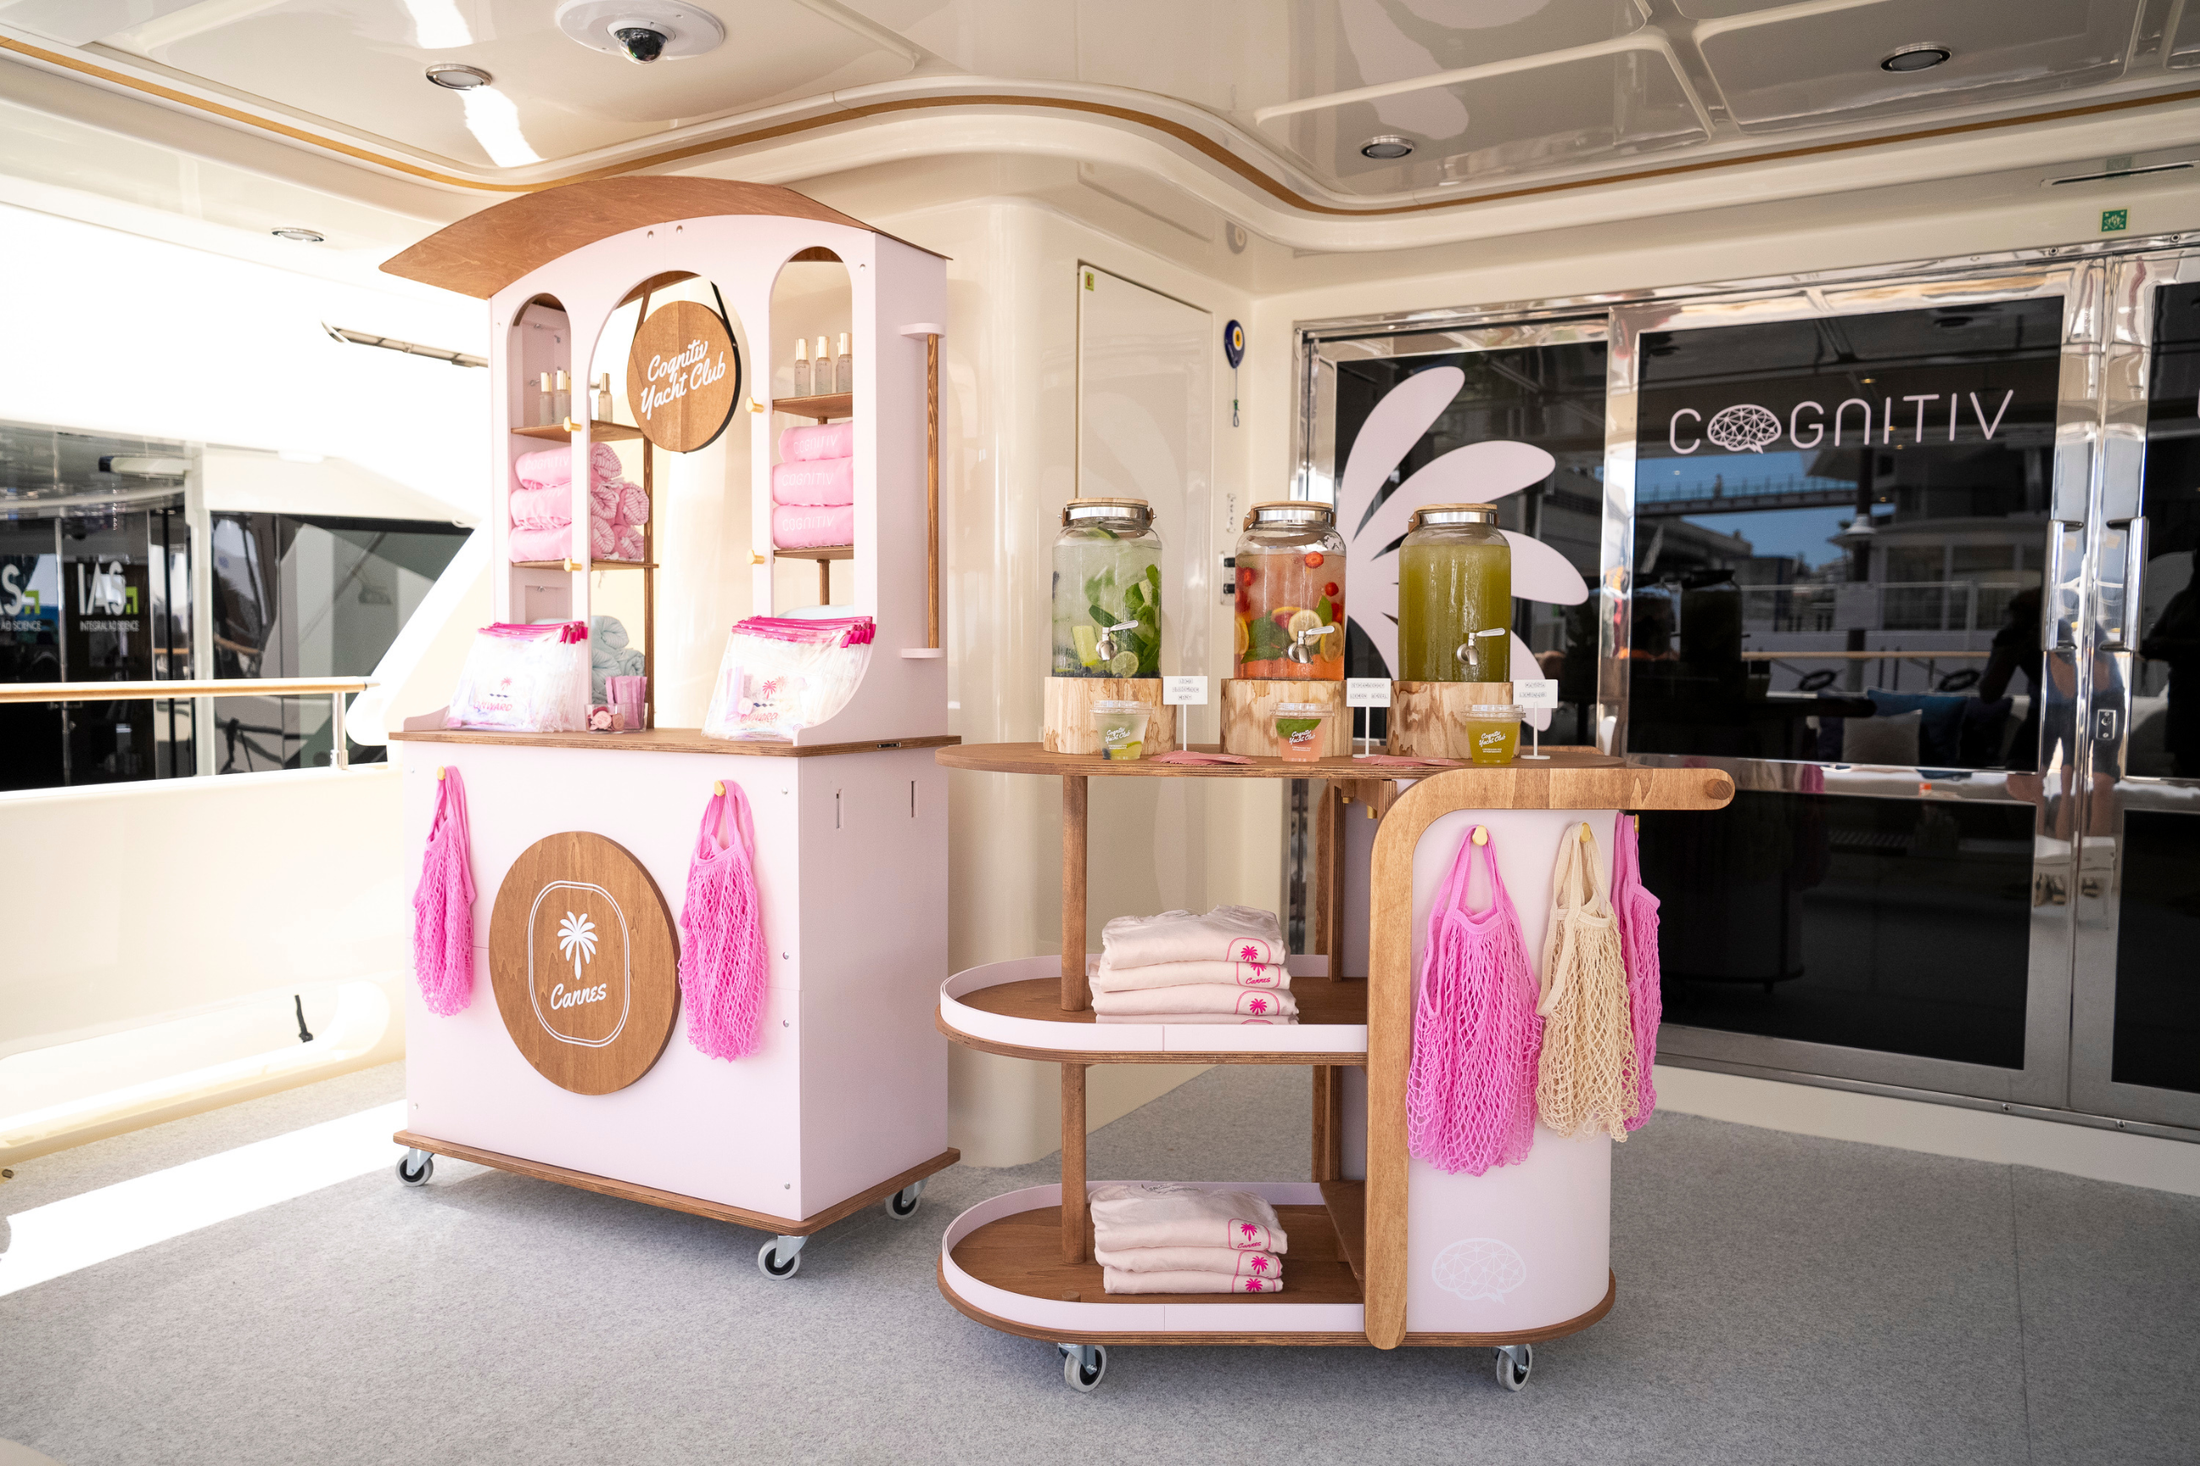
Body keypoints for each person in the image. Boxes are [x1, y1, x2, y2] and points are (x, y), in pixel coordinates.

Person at [2140, 550, 2200, 778]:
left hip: (2185, 695)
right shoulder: (2182, 601)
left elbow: (2159, 643)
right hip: (2182, 699)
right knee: (2184, 766)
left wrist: (2171, 647)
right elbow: (2152, 643)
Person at [1980, 585, 2042, 770]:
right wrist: (2007, 653)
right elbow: (1989, 694)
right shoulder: (2013, 636)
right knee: (2017, 770)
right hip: (2039, 715)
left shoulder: (2064, 635)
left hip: (2072, 712)